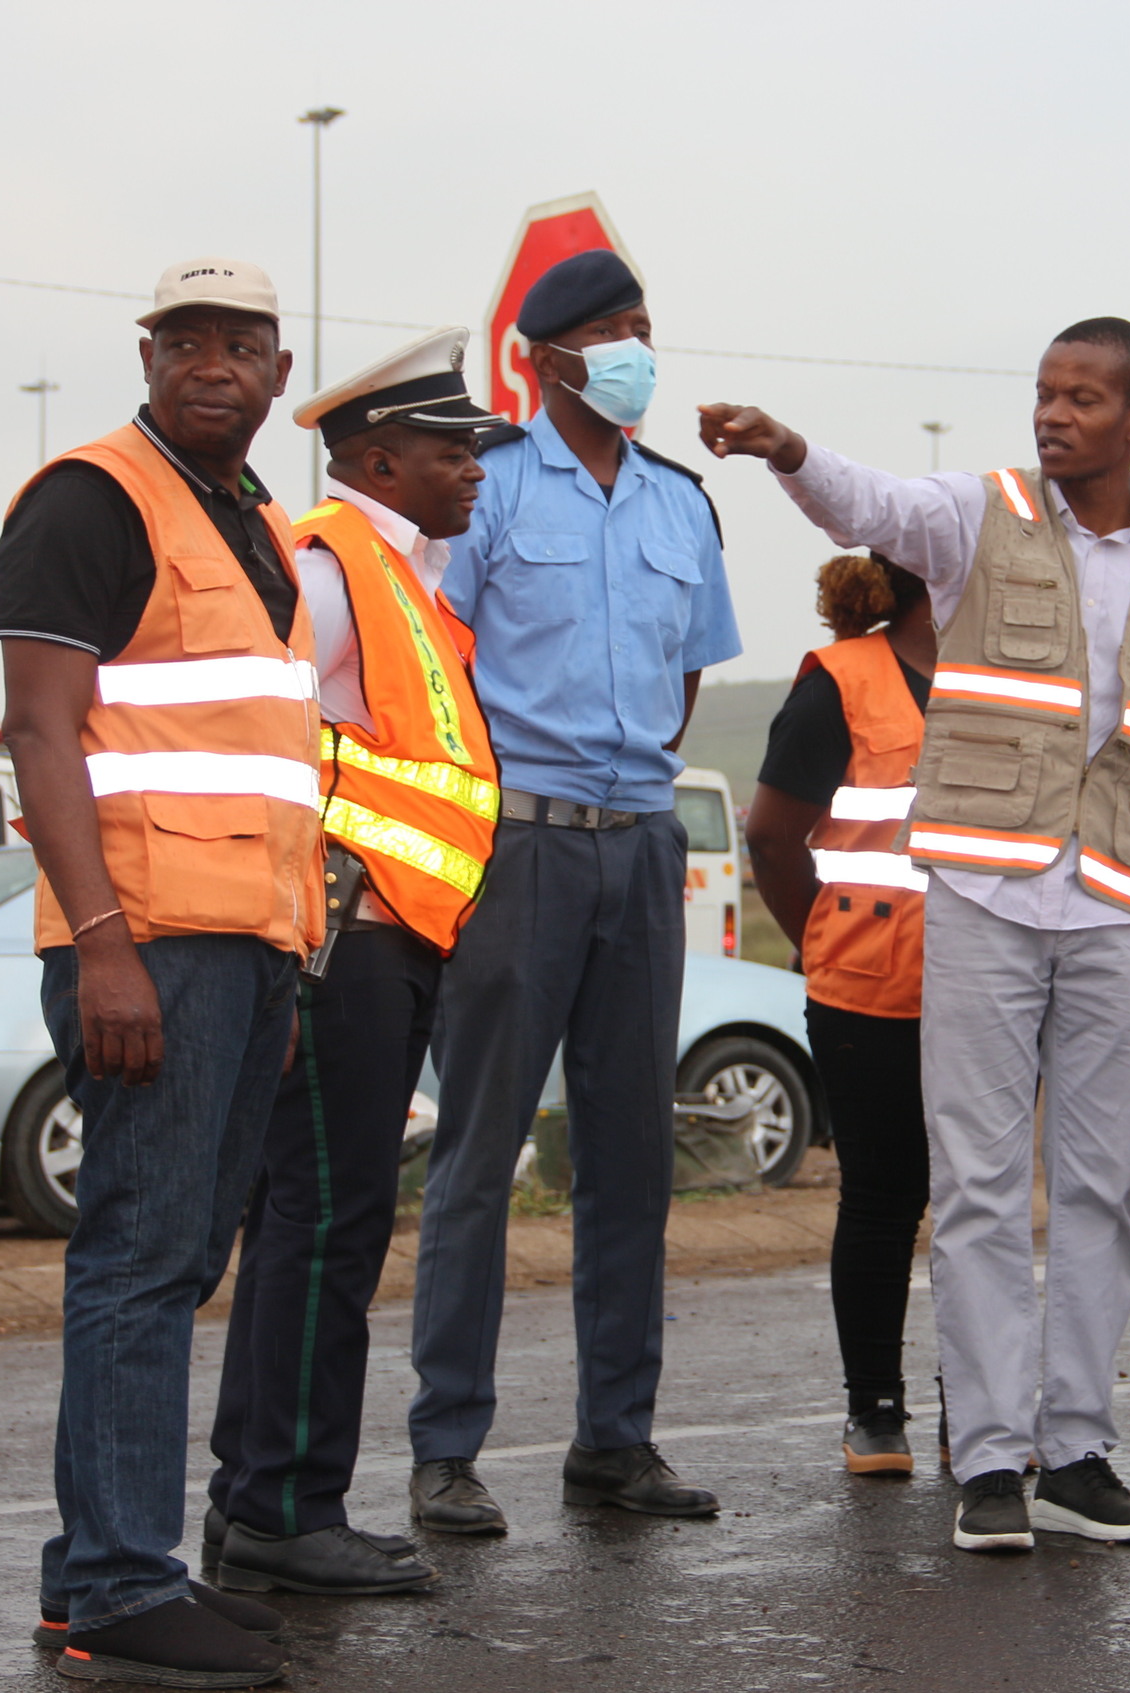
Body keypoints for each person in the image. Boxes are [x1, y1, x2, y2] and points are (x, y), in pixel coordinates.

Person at [700, 315, 1130, 1554]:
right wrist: (788, 449)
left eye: (1084, 399)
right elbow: (869, 502)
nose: (1055, 415)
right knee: (980, 1189)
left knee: (1099, 1191)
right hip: (987, 898)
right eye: (1045, 394)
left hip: (1113, 903)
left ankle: (1078, 1451)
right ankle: (991, 1460)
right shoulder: (974, 514)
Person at [0, 257, 319, 1687]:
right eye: (183, 341)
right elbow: (40, 734)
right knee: (136, 1261)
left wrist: (288, 959)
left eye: (238, 345)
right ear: (146, 356)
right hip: (150, 940)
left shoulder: (249, 518)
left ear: (276, 375)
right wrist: (105, 942)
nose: (210, 365)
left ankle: (100, 1573)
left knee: (179, 1256)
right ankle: (125, 1583)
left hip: (246, 942)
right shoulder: (90, 499)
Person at [406, 249, 740, 1532]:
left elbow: (689, 675)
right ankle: (446, 1447)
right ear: (546, 362)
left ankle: (616, 1439)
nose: (634, 353)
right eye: (609, 333)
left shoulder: (679, 504)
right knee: (481, 1152)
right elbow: (442, 670)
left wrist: (632, 776)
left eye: (644, 329)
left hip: (641, 845)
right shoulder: (486, 489)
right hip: (519, 849)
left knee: (629, 1156)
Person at [201, 328, 507, 1598]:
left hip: (392, 932)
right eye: (451, 449)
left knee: (310, 1225)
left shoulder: (410, 578)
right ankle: (284, 1504)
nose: (473, 469)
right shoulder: (329, 568)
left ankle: (260, 1496)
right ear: (377, 457)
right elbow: (271, 740)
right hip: (340, 937)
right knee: (321, 1227)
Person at [744, 551, 936, 1475]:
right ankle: (877, 1412)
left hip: (990, 987)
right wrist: (818, 934)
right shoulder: (845, 682)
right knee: (884, 1198)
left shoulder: (1006, 681)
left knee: (979, 1206)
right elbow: (773, 836)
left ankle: (976, 1412)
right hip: (867, 988)